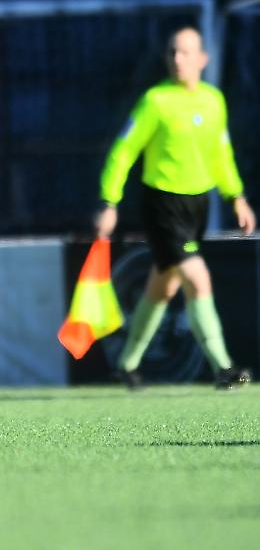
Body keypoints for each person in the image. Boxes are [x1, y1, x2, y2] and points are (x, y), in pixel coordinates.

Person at [95, 26, 255, 390]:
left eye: (185, 52)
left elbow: (221, 155)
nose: (177, 59)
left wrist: (237, 197)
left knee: (163, 286)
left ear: (203, 59)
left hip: (197, 204)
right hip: (162, 204)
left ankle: (126, 365)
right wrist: (109, 201)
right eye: (172, 52)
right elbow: (123, 151)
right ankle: (223, 367)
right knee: (197, 277)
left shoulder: (213, 101)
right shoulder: (156, 101)